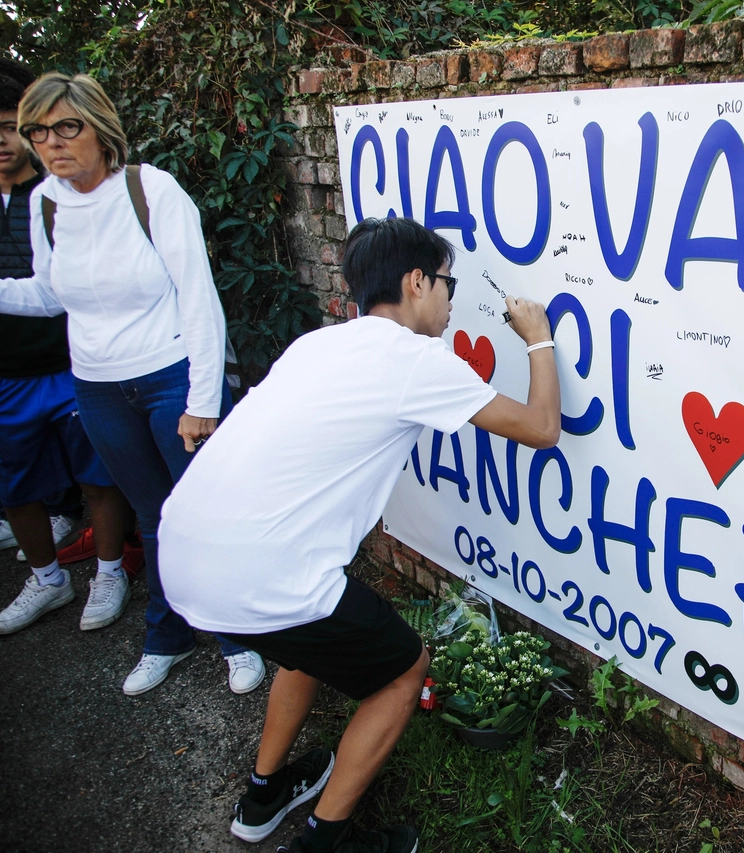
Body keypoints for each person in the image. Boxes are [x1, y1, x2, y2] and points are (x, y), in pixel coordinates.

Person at [158, 217, 561, 853]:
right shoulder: (418, 360)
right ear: (417, 281)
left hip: (182, 554)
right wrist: (538, 339)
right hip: (258, 573)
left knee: (304, 637)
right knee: (404, 672)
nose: (452, 300)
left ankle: (264, 796)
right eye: (447, 283)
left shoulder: (318, 344)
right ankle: (327, 841)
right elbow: (542, 428)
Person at [0, 72, 265, 695]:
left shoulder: (150, 190)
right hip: (96, 388)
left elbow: (198, 297)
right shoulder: (46, 205)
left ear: (100, 127)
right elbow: (48, 294)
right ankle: (167, 635)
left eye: (67, 126)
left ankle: (236, 636)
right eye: (38, 131)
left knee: (203, 512)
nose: (52, 143)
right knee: (151, 516)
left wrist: (203, 401)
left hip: (172, 376)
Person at [0, 59, 137, 636]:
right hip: (8, 374)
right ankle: (48, 579)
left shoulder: (58, 198)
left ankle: (110, 571)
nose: (20, 142)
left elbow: (56, 292)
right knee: (16, 485)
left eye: (13, 127)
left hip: (71, 366)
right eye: (35, 131)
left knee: (98, 477)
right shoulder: (45, 201)